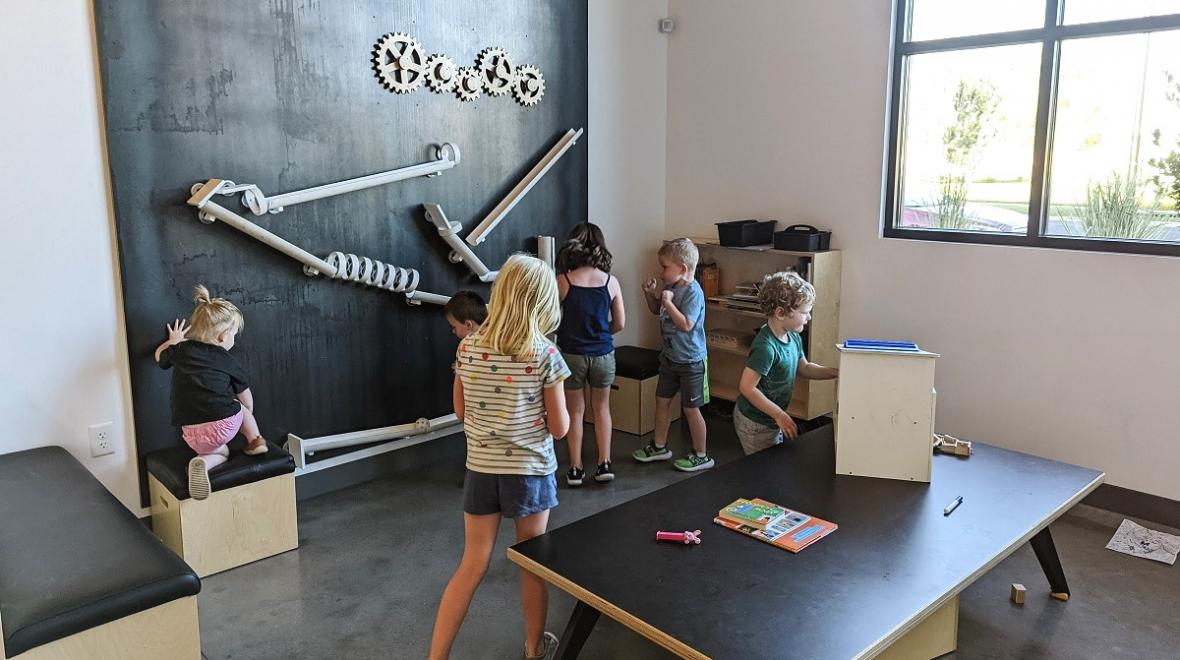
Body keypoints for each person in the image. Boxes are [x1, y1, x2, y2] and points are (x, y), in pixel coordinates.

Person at [429, 255, 571, 660]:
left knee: (471, 564)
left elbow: (460, 411)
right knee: (532, 564)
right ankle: (532, 650)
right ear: (541, 301)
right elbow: (560, 428)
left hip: (481, 469)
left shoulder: (469, 347)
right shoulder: (545, 354)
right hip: (529, 472)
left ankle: (435, 657)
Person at [154, 285, 267, 501]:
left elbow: (159, 357)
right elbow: (245, 396)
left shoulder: (182, 350)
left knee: (219, 451)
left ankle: (203, 463)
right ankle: (255, 441)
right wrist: (246, 414)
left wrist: (173, 341)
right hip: (223, 426)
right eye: (234, 334)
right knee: (240, 407)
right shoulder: (227, 359)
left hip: (190, 433)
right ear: (224, 337)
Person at [734, 271, 838, 455]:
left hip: (771, 419)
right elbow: (747, 387)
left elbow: (804, 368)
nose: (809, 317)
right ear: (781, 313)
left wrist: (835, 372)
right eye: (805, 312)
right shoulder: (766, 348)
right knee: (763, 472)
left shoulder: (793, 337)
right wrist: (779, 415)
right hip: (756, 423)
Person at [632, 238, 713, 472]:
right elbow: (657, 308)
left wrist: (668, 304)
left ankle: (701, 454)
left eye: (665, 266)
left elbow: (687, 324)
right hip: (669, 358)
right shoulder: (670, 288)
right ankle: (659, 446)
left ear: (683, 269)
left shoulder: (693, 293)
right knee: (662, 402)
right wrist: (651, 294)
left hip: (691, 361)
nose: (661, 271)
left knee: (691, 409)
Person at [555, 223, 625, 486]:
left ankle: (575, 468)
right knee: (602, 409)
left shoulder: (563, 281)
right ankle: (604, 463)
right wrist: (601, 333)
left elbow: (550, 320)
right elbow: (620, 323)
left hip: (572, 355)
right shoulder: (611, 281)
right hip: (603, 354)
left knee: (575, 412)